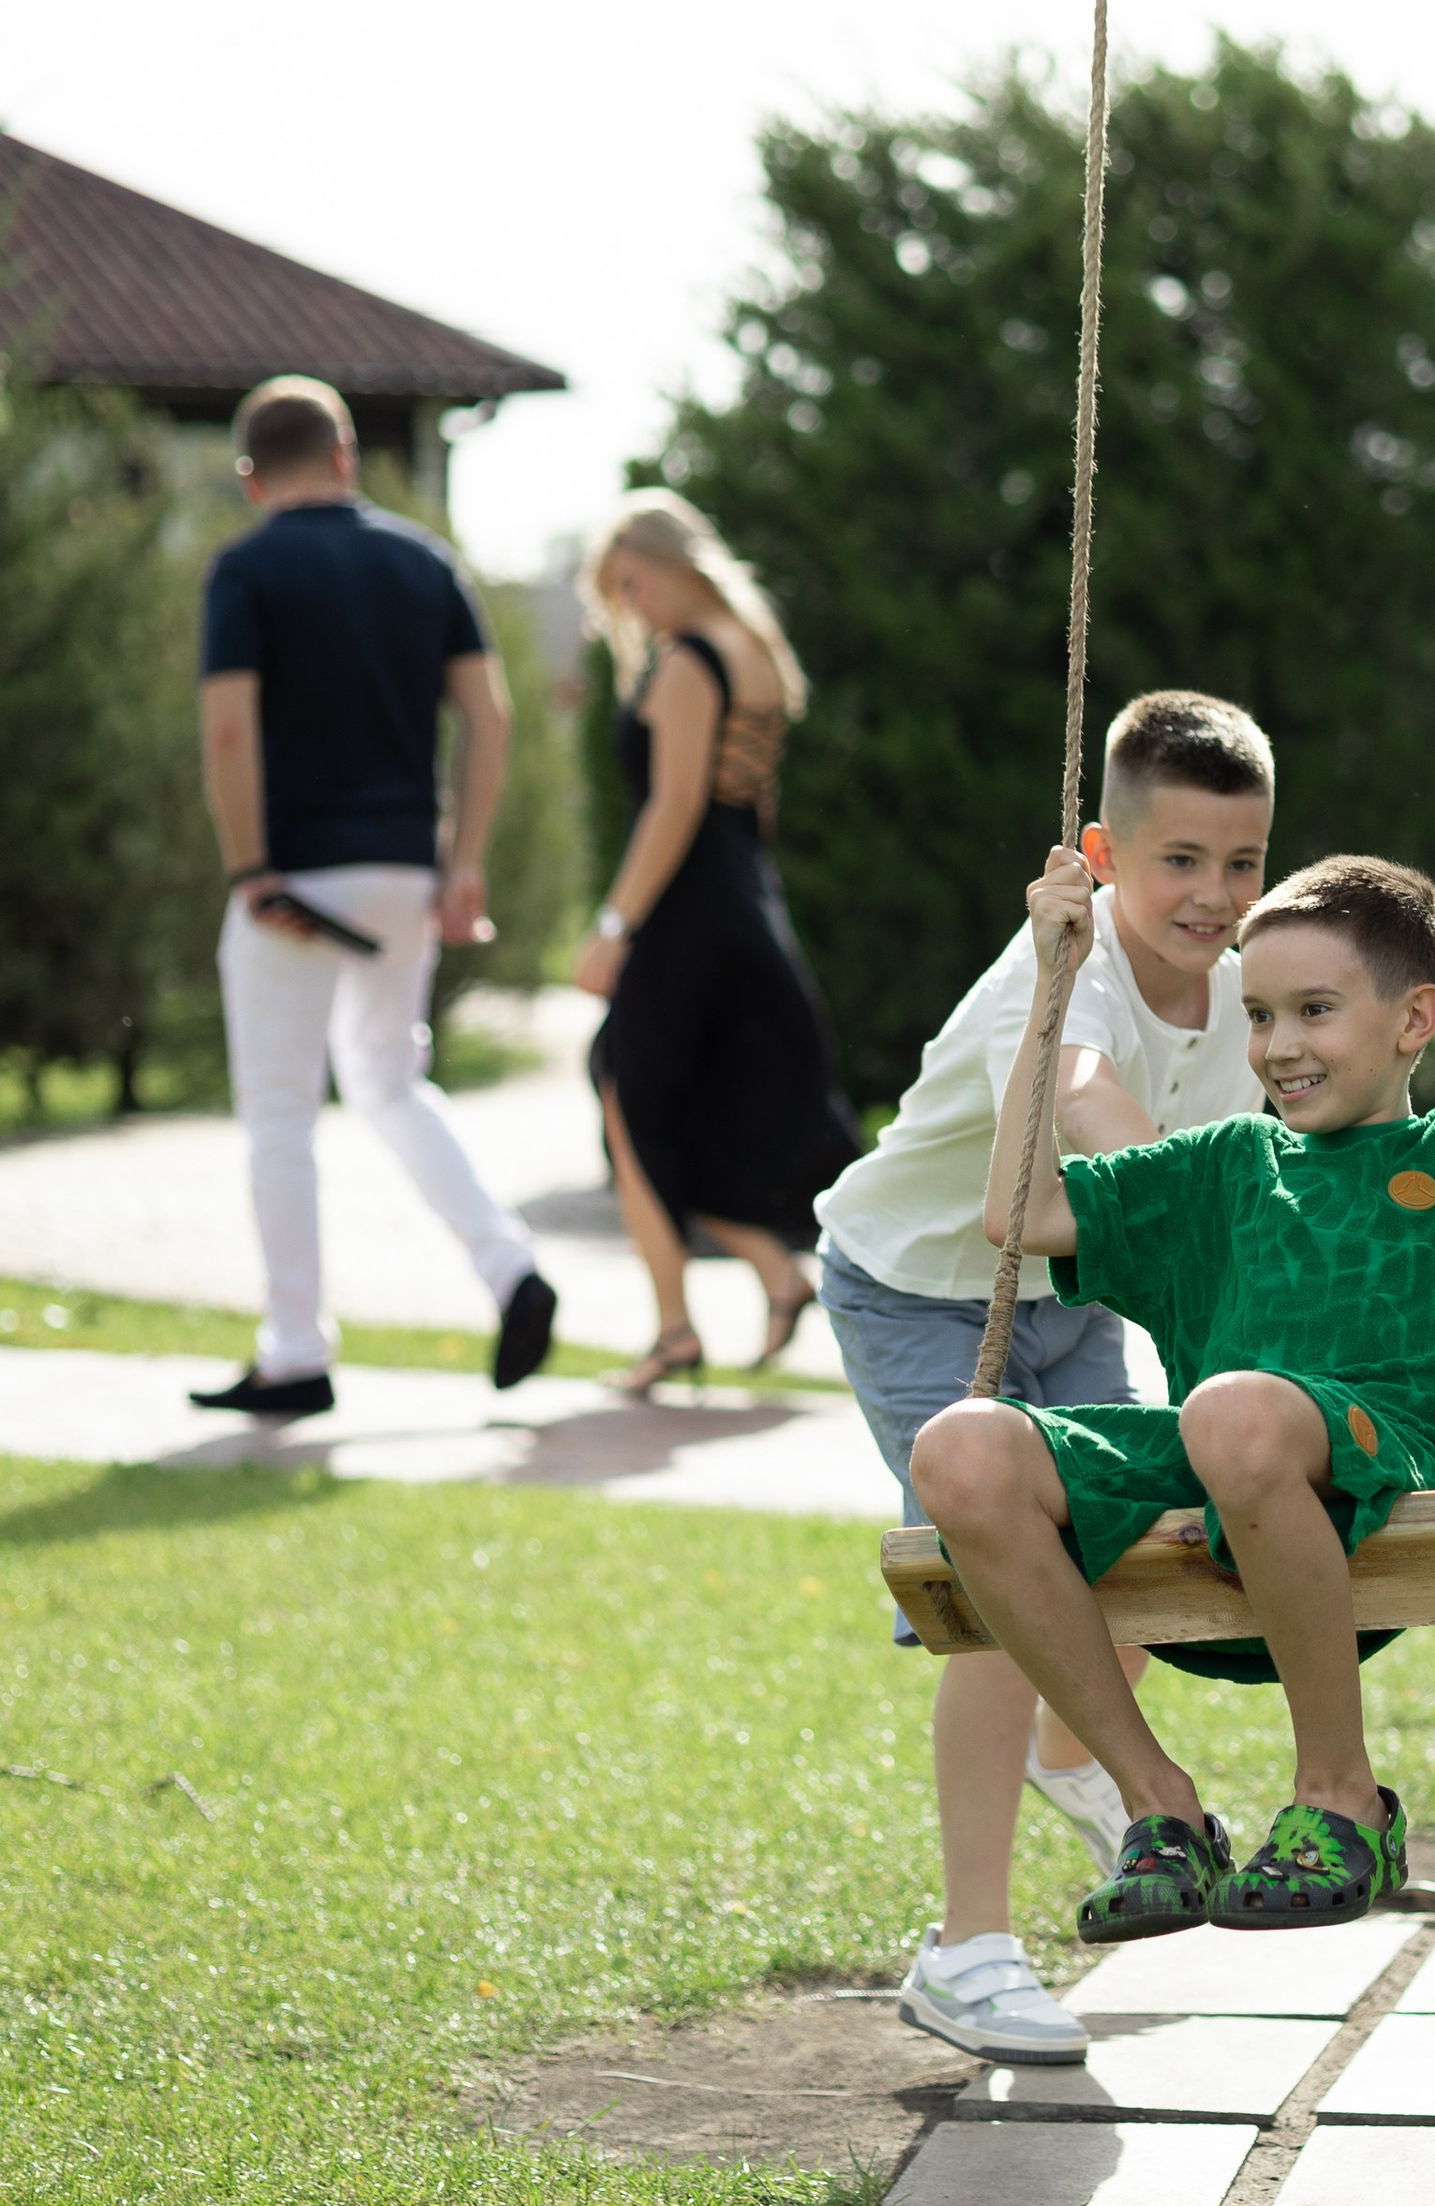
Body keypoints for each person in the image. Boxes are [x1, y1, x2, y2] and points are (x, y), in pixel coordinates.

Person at [911, 842, 1435, 1938]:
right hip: (1224, 1465)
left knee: (1234, 1408)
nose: (1279, 1047)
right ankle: (1160, 1808)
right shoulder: (1223, 1166)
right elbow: (1021, 1218)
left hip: (1395, 1467)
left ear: (1413, 1020)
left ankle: (1339, 1796)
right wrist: (1051, 995)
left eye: (1313, 1011)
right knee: (960, 1448)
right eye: (1260, 1016)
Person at [816, 692, 1277, 2063]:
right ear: (1103, 853)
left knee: (1127, 1546)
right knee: (1009, 1590)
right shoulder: (1055, 979)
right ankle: (965, 1949)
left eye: (1241, 862)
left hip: (1064, 1296)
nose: (1212, 894)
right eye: (1179, 861)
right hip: (918, 1287)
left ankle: (1075, 1758)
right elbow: (1088, 1115)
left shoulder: (1249, 991)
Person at [192, 376, 557, 1421]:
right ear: (346, 454)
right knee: (390, 1083)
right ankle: (510, 1269)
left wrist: (250, 866)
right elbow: (490, 715)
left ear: (250, 476)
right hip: (406, 870)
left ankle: (296, 1350)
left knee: (278, 1114)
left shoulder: (246, 568)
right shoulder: (422, 560)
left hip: (294, 880)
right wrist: (466, 861)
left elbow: (227, 731)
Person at [572, 495, 858, 1391]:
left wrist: (613, 926)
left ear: (676, 561)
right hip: (741, 899)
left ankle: (673, 1331)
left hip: (689, 910)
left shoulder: (692, 659)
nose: (631, 605)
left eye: (634, 581)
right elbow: (753, 810)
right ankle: (774, 1275)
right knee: (666, 1104)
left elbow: (676, 803)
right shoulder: (759, 650)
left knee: (628, 1095)